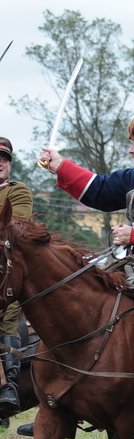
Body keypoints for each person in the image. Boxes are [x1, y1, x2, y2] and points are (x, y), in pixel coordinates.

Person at [40, 103, 134, 303]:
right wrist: (60, 165)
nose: (130, 151)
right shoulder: (133, 178)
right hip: (130, 265)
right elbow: (100, 190)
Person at [0, 137, 34, 414]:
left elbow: (15, 226)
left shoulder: (17, 191)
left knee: (7, 314)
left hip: (7, 268)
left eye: (4, 159)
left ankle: (9, 385)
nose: (0, 163)